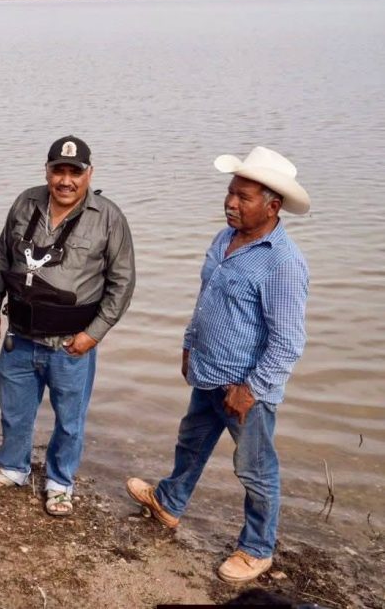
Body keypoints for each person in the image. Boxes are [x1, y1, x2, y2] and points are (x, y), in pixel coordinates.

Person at [127, 146, 310, 584]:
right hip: (207, 373)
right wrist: (189, 345)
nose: (230, 203)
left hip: (245, 390)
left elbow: (288, 341)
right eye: (231, 193)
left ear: (273, 205)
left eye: (243, 197)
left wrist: (251, 389)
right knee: (190, 443)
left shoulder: (282, 262)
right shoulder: (224, 238)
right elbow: (206, 301)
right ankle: (168, 503)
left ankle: (257, 548)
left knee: (255, 469)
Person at [0, 136, 135, 516]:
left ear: (89, 174)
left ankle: (60, 482)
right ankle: (13, 468)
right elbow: (2, 255)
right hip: (20, 338)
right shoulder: (25, 202)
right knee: (14, 412)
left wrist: (93, 334)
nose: (66, 180)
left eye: (74, 172)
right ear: (46, 171)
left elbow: (122, 282)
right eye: (58, 171)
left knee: (70, 420)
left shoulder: (109, 217)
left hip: (71, 345)